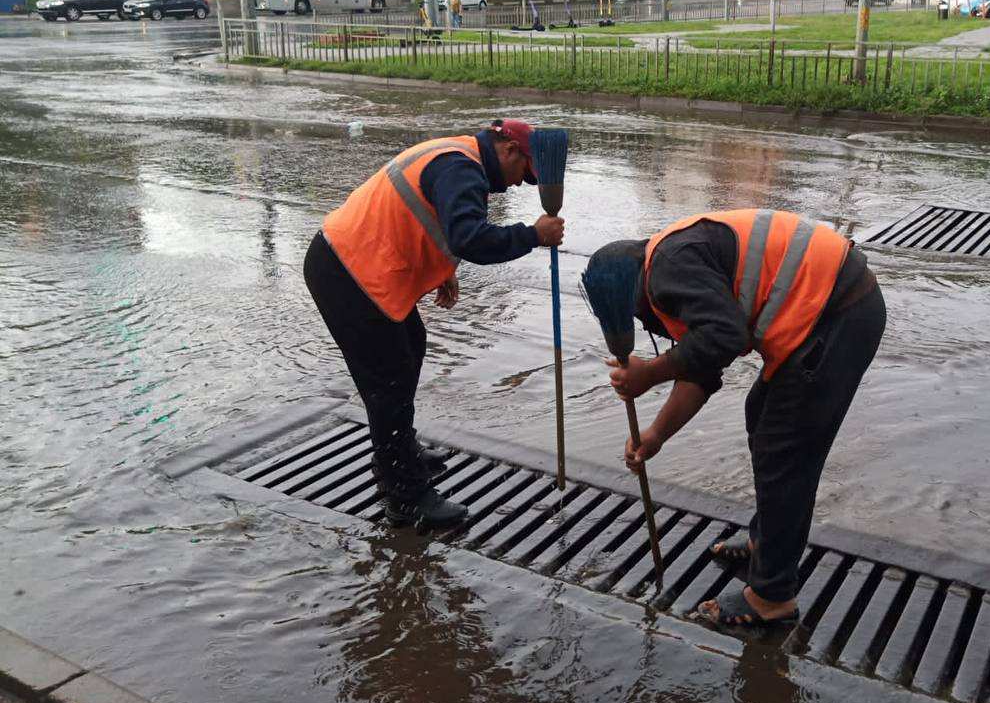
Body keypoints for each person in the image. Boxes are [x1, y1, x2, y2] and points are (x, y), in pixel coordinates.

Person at [586, 210, 884, 629]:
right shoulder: (673, 263)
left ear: (634, 294)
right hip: (826, 309)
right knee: (762, 416)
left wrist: (649, 373)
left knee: (784, 452)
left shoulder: (666, 273)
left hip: (837, 314)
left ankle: (771, 597)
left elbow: (726, 338)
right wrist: (655, 436)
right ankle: (767, 542)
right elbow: (702, 368)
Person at [304, 120, 565, 529]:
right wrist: (532, 235)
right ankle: (406, 498)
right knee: (388, 381)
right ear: (510, 150)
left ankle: (399, 451)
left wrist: (443, 268)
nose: (519, 185)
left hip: (354, 264)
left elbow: (425, 212)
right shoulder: (463, 168)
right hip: (348, 272)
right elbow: (470, 238)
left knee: (410, 347)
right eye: (524, 175)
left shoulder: (458, 154)